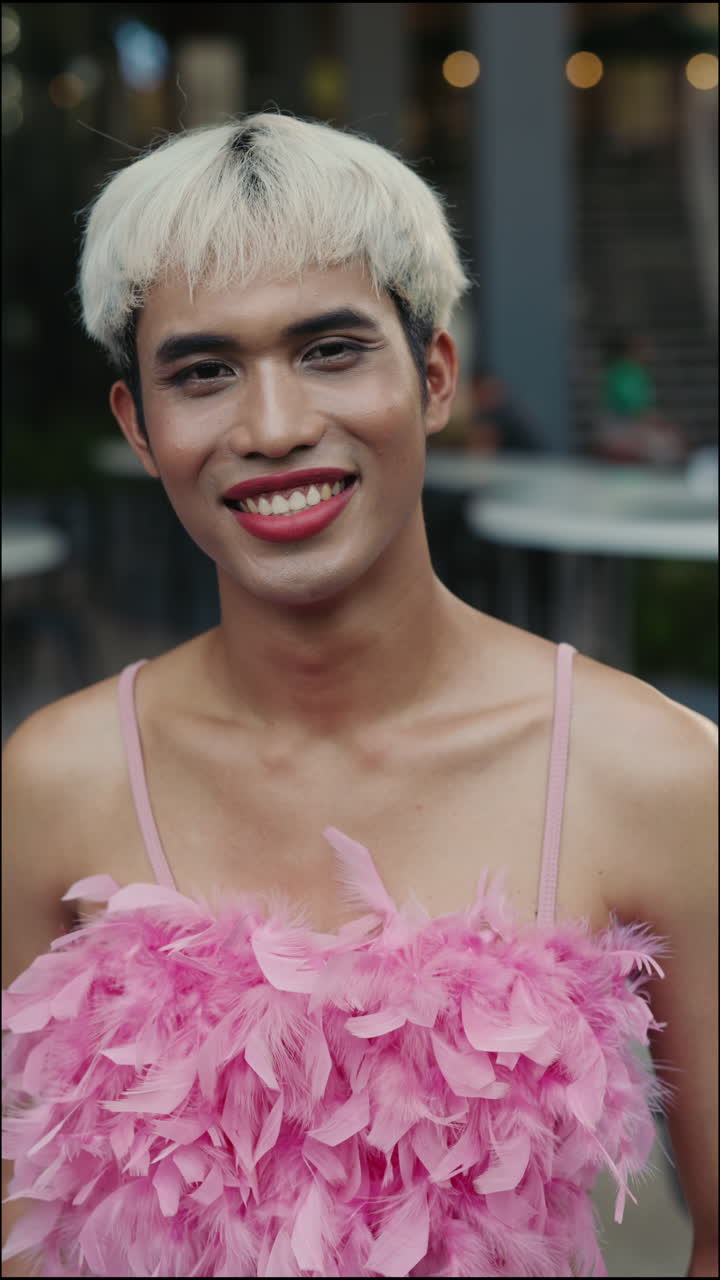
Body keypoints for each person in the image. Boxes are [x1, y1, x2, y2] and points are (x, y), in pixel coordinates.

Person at [2, 113, 717, 1279]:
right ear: (140, 426)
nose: (276, 427)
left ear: (434, 376)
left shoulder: (655, 770)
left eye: (332, 349)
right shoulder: (53, 780)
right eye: (203, 370)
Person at [594, 331, 686, 465]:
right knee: (665, 447)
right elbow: (635, 410)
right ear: (631, 349)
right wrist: (660, 425)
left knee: (668, 442)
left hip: (629, 427)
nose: (648, 351)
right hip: (620, 429)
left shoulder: (633, 371)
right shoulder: (623, 372)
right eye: (642, 346)